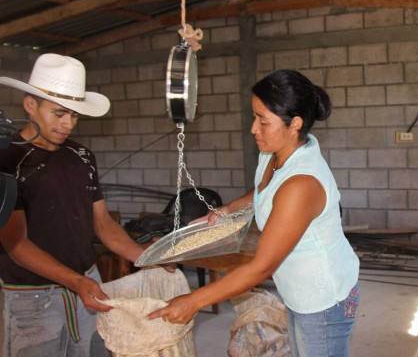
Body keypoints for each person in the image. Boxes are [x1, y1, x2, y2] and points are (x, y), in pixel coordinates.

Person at [149, 69, 361, 357]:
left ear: (295, 123)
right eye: (254, 116)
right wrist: (228, 209)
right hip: (299, 290)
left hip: (325, 299)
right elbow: (264, 191)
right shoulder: (275, 153)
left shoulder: (301, 184)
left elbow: (260, 267)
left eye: (263, 121)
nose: (253, 128)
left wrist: (193, 300)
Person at [0, 54, 149, 357]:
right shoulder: (8, 160)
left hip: (87, 282)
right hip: (34, 296)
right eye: (59, 114)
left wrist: (147, 257)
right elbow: (15, 242)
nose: (68, 124)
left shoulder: (82, 156)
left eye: (74, 115)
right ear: (31, 105)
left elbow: (103, 224)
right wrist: (75, 281)